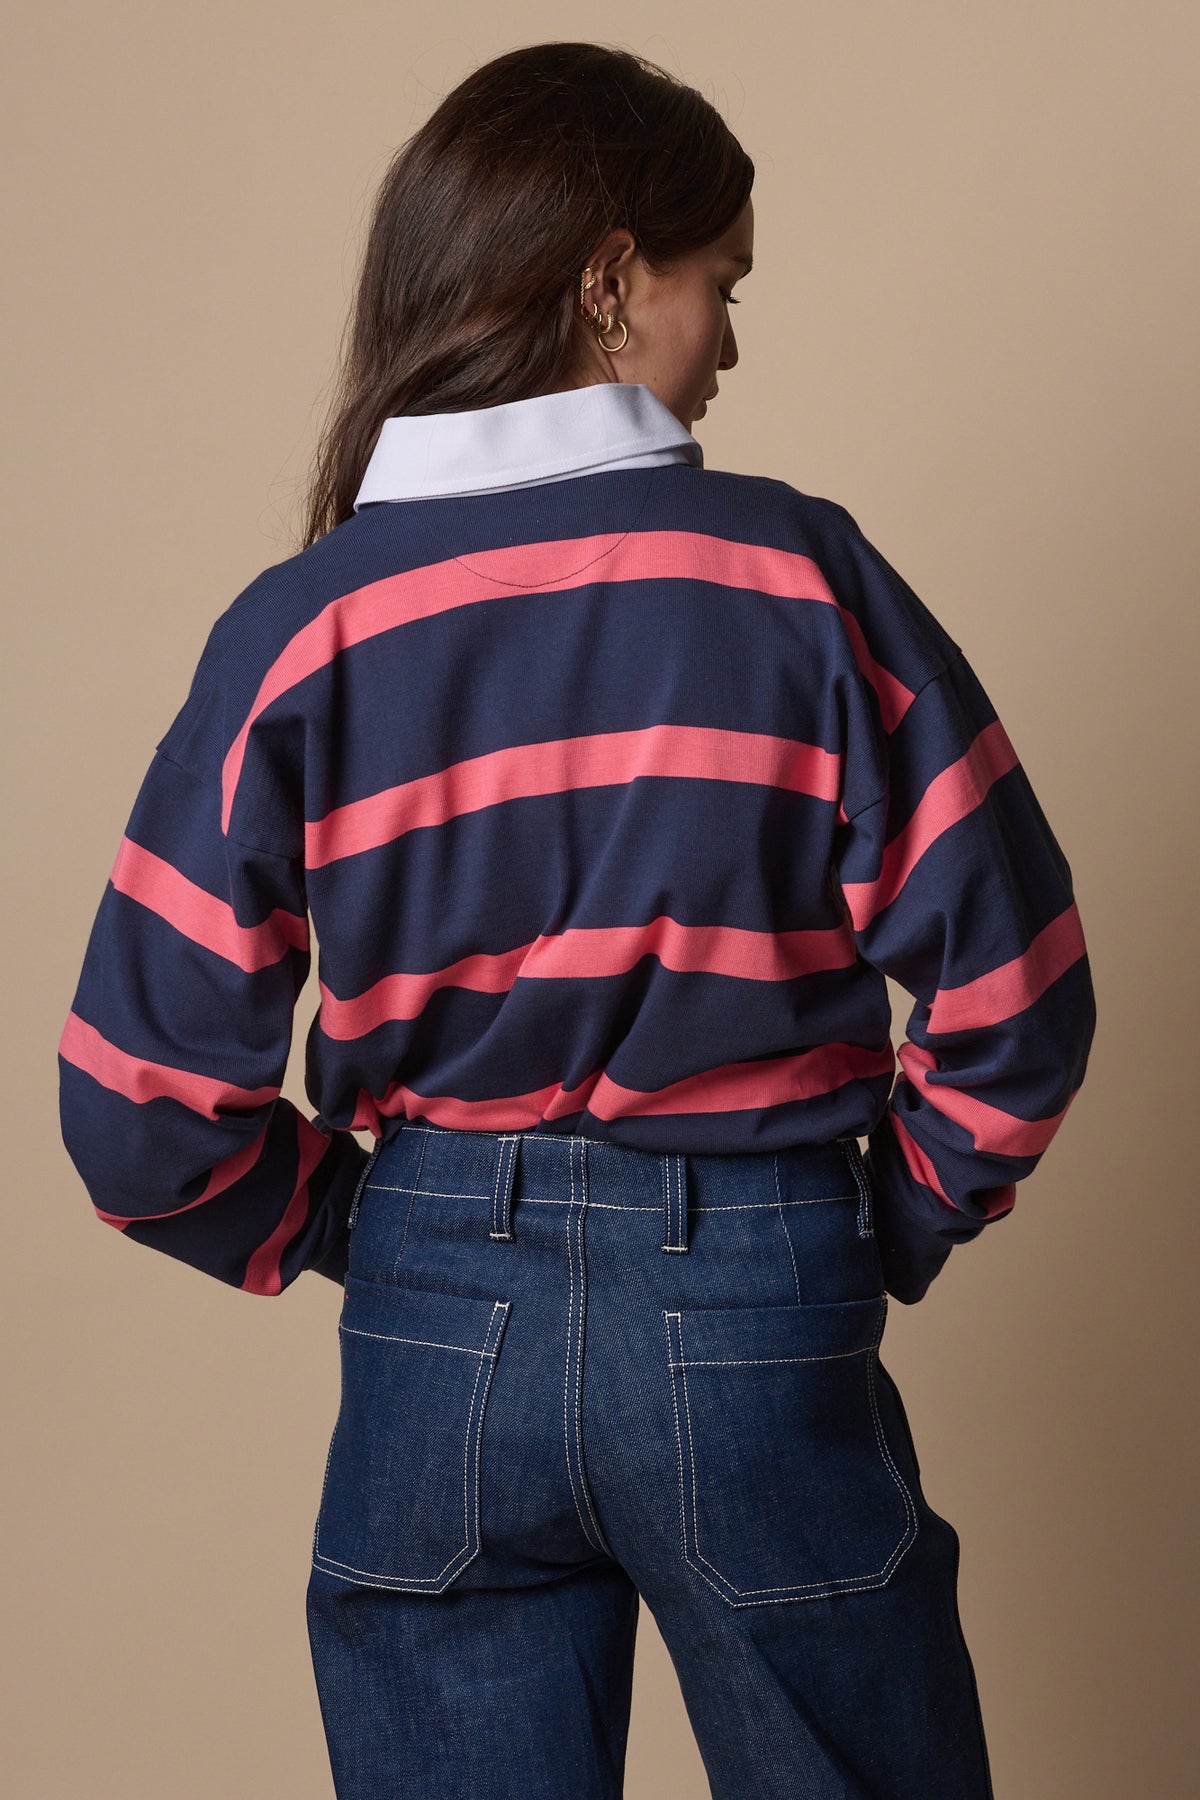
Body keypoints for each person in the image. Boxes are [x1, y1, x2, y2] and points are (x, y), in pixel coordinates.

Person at [57, 39, 1095, 1800]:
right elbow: (1017, 991)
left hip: (433, 1313)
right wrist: (888, 1221)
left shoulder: (303, 626)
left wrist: (358, 1227)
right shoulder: (794, 575)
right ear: (612, 279)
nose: (736, 343)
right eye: (723, 284)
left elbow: (135, 1106)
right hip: (757, 1292)